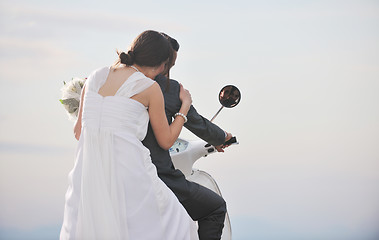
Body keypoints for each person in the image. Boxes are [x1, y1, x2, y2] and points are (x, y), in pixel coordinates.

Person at [60, 30, 199, 240]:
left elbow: (79, 132)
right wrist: (184, 107)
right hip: (129, 173)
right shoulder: (150, 88)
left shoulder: (96, 76)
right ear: (161, 65)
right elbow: (166, 140)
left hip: (88, 172)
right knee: (178, 224)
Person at [142, 33, 232, 240]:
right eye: (169, 63)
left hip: (119, 168)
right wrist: (223, 137)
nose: (168, 69)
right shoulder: (168, 88)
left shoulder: (120, 84)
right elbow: (197, 122)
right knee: (216, 208)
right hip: (157, 173)